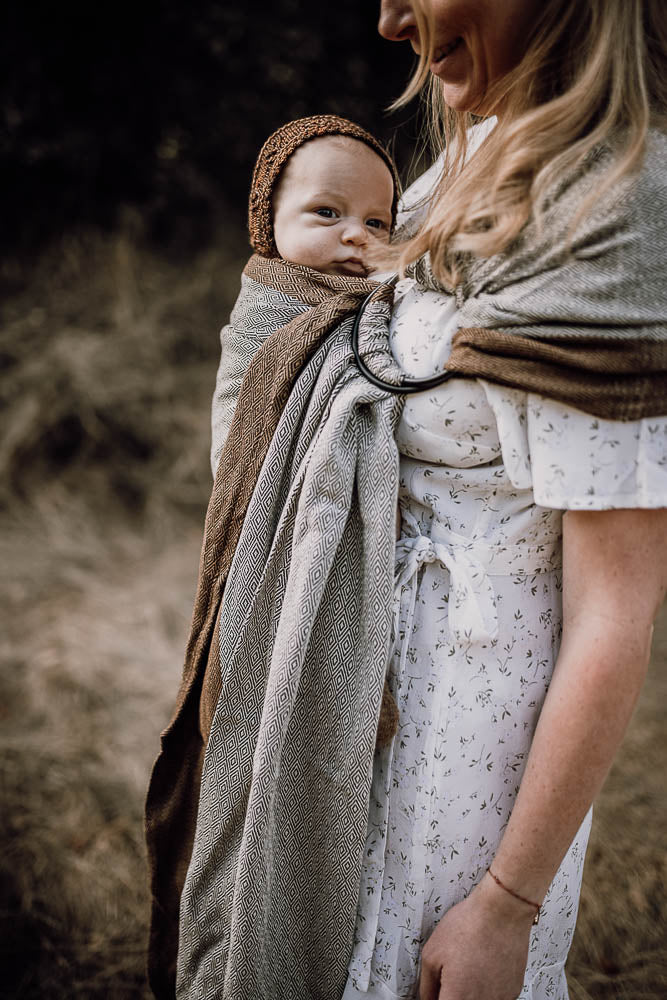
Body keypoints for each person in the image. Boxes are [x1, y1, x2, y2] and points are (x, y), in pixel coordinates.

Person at [337, 2, 666, 999]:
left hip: (461, 764)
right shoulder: (475, 150)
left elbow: (616, 604)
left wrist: (503, 904)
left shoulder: (611, 206)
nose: (391, 18)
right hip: (365, 708)